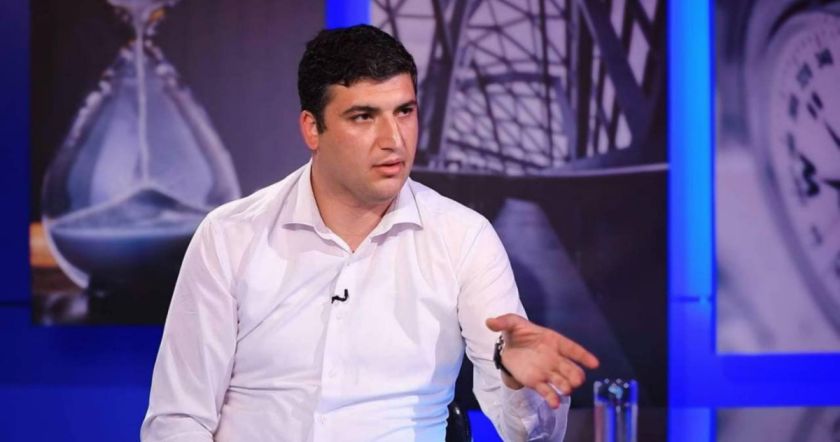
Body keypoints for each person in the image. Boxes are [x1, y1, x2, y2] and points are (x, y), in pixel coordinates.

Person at [141, 24, 598, 442]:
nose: (393, 139)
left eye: (404, 111)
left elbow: (531, 436)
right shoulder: (230, 236)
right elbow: (178, 419)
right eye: (363, 116)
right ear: (312, 129)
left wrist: (515, 381)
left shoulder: (463, 238)